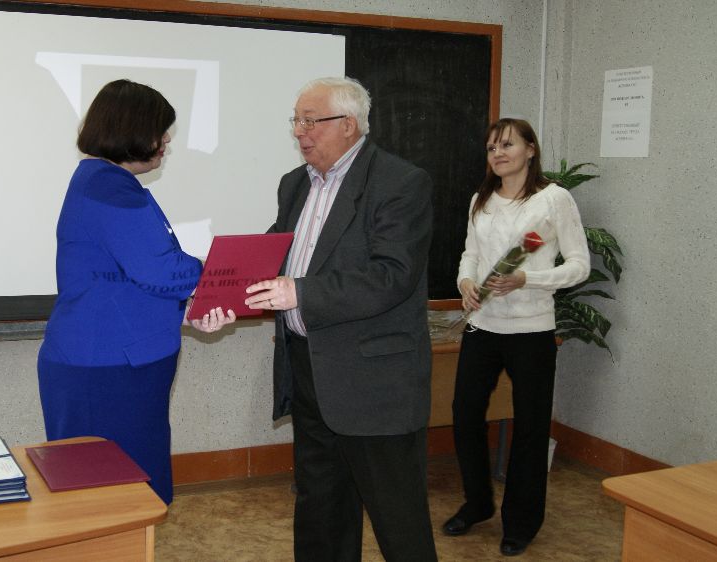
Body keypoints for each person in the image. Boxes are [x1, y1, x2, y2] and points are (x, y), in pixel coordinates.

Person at [246, 77, 437, 562]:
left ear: (348, 125)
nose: (299, 131)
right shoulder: (294, 184)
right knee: (321, 512)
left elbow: (391, 275)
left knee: (399, 522)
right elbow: (271, 255)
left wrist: (300, 292)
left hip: (374, 385)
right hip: (309, 371)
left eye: (310, 120)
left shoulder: (400, 183)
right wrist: (221, 294)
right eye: (296, 120)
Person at [37, 79, 235, 505]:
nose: (166, 141)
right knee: (113, 501)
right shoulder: (108, 186)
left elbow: (129, 278)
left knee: (119, 497)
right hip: (107, 369)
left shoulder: (104, 182)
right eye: (161, 130)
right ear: (133, 129)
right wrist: (216, 272)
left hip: (114, 361)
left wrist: (189, 308)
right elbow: (159, 268)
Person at [443, 118, 590, 556]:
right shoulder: (481, 199)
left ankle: (521, 522)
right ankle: (477, 503)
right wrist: (465, 282)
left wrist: (528, 278)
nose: (498, 154)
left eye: (507, 145)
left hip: (531, 331)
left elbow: (579, 265)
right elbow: (470, 253)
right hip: (483, 326)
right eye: (491, 148)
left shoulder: (553, 199)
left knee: (530, 426)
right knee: (465, 414)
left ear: (530, 149)